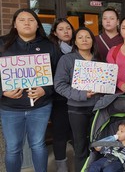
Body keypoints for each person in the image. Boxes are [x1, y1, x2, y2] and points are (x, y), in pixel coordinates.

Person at [0, 8, 60, 172]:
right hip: (10, 107)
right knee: (13, 148)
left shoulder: (49, 46)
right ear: (14, 24)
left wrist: (45, 90)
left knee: (38, 144)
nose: (27, 22)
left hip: (40, 106)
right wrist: (3, 91)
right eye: (22, 19)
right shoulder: (2, 44)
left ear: (37, 24)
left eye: (31, 19)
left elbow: (60, 75)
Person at [54, 27, 103, 172]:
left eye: (87, 37)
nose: (84, 40)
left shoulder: (98, 60)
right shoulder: (67, 59)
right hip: (77, 109)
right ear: (75, 41)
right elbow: (59, 85)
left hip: (98, 109)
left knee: (98, 146)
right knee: (80, 146)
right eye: (80, 37)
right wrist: (82, 95)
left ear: (93, 41)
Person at [48, 18, 75, 172]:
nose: (66, 31)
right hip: (59, 99)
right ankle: (61, 165)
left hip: (78, 98)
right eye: (61, 29)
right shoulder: (52, 49)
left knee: (75, 131)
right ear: (55, 33)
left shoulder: (77, 48)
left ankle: (80, 160)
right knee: (60, 133)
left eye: (68, 28)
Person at [106, 17, 125, 93]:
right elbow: (109, 75)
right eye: (123, 28)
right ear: (120, 31)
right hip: (119, 94)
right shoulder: (113, 51)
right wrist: (120, 84)